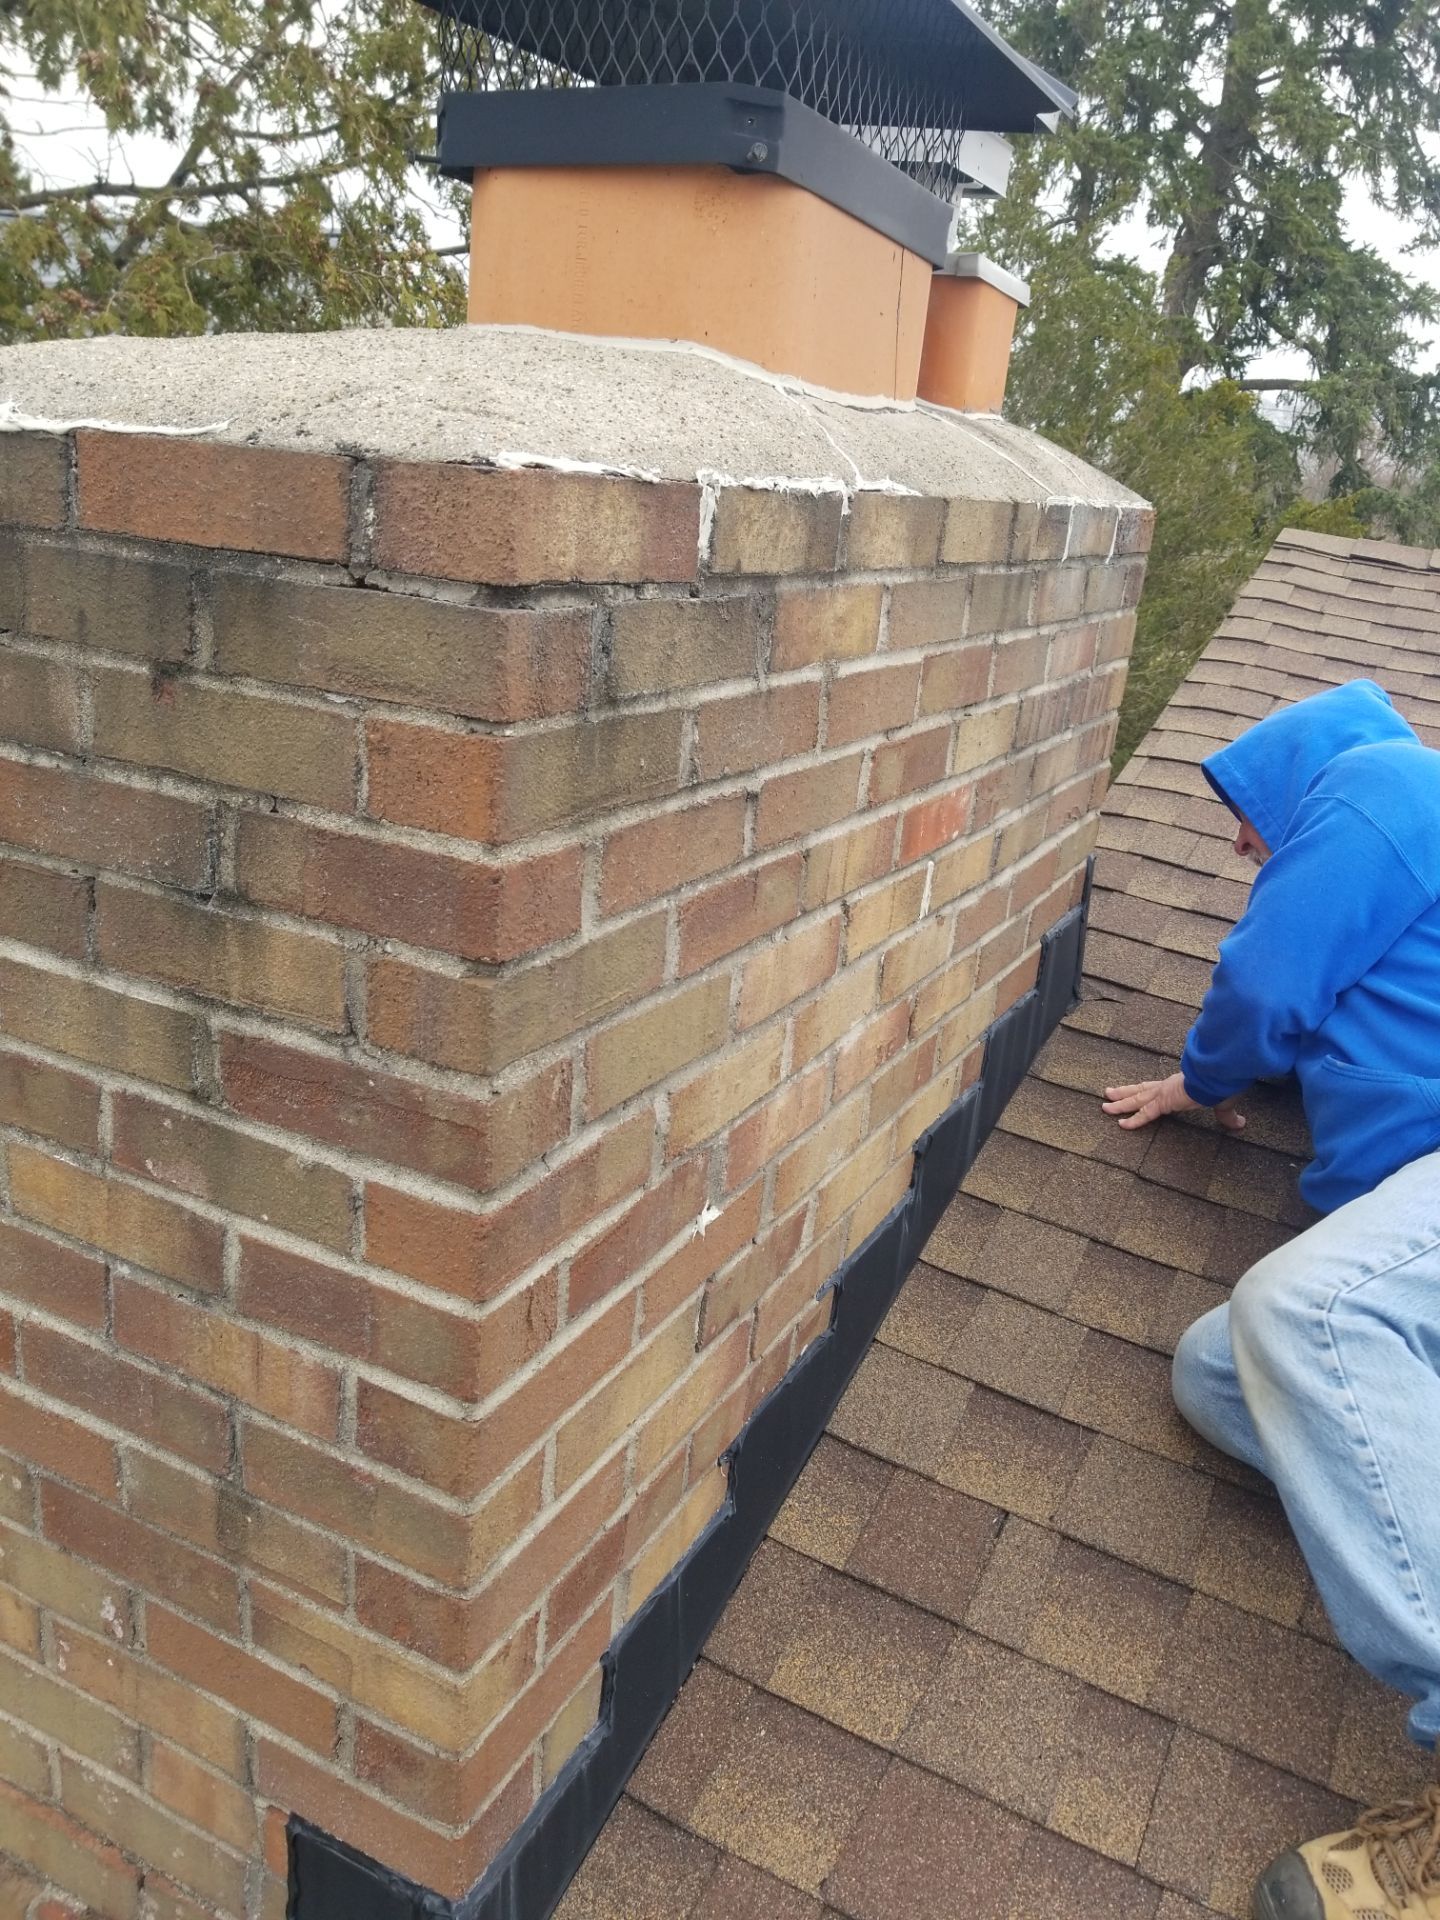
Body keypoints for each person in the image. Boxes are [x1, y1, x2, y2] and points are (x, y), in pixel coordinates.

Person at [1099, 679, 1440, 1920]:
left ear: (1291, 773)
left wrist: (1200, 1078)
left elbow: (1268, 982)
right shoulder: (1404, 838)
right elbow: (1354, 1010)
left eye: (1243, 815)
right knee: (1219, 1364)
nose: (1241, 843)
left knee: (1306, 1312)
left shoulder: (1384, 783)